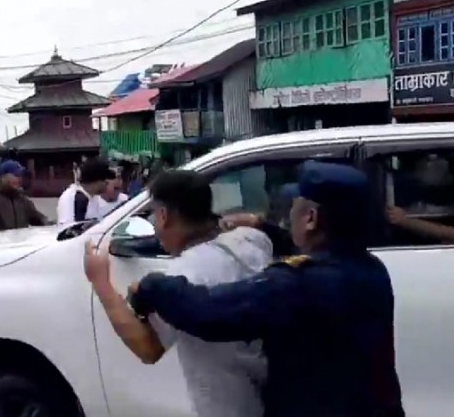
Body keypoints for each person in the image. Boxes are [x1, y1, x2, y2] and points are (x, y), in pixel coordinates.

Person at [127, 161, 404, 416]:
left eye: (294, 205)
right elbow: (315, 253)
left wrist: (153, 286)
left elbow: (208, 312)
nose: (288, 214)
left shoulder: (297, 285)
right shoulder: (370, 269)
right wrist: (264, 227)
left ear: (310, 218)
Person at [84, 170, 273, 417]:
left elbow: (148, 348)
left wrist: (102, 284)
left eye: (154, 214)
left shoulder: (183, 275)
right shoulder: (253, 240)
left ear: (163, 216)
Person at [0, 159, 49, 233]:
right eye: (15, 175)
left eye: (20, 175)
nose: (19, 179)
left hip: (20, 241)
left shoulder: (23, 201)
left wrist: (51, 224)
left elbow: (39, 219)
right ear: (3, 178)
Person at [57, 157, 116, 224]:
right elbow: (70, 227)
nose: (107, 184)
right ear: (97, 181)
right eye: (105, 181)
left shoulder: (93, 198)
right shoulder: (76, 198)